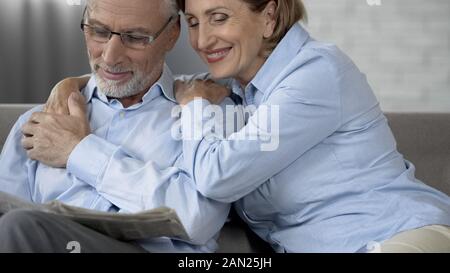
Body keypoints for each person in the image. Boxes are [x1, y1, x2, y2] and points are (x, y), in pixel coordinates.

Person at [38, 0, 450, 252]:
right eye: (195, 22)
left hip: (399, 235)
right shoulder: (234, 89)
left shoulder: (318, 72)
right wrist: (72, 85)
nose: (202, 41)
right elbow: (149, 83)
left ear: (269, 16)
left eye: (219, 17)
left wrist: (196, 105)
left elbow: (218, 177)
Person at [0, 0, 231, 253]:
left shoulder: (204, 110)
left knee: (19, 226)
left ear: (172, 34)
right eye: (98, 32)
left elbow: (198, 220)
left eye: (135, 37)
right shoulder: (39, 122)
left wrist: (79, 151)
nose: (110, 57)